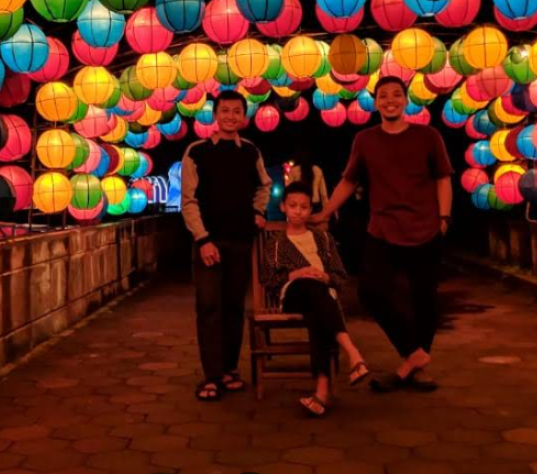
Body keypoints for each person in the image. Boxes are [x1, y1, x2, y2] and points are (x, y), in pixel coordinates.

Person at [313, 75, 454, 393]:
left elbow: (443, 178)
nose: (390, 100)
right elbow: (349, 180)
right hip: (382, 228)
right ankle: (414, 353)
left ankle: (416, 369)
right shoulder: (365, 140)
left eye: (396, 94)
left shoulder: (428, 136)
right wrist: (324, 212)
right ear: (375, 103)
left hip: (425, 227)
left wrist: (443, 218)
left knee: (424, 300)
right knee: (370, 292)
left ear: (406, 100)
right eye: (383, 96)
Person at [180, 90, 272, 401]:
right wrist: (203, 239)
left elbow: (265, 186)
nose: (231, 116)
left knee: (234, 307)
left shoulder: (250, 151)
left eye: (237, 112)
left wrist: (259, 211)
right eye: (225, 111)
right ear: (215, 115)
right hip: (208, 242)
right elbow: (189, 200)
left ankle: (230, 369)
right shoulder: (197, 151)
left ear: (244, 117)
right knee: (209, 307)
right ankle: (212, 376)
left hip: (241, 241)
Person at [260, 182, 369, 416]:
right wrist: (297, 273)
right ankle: (352, 352)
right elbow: (267, 279)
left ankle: (320, 393)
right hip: (292, 293)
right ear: (283, 207)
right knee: (311, 287)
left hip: (321, 296)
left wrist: (326, 276)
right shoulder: (276, 243)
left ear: (310, 209)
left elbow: (341, 277)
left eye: (304, 207)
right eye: (293, 206)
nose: (298, 211)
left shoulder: (323, 238)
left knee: (317, 311)